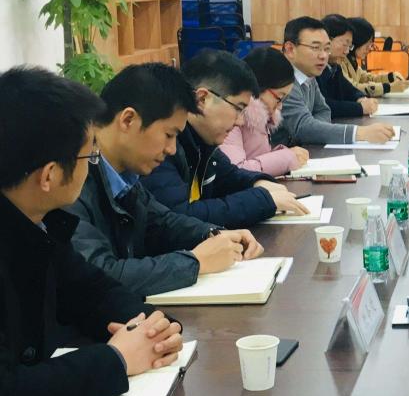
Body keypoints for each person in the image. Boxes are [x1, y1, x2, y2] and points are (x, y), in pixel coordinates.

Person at [0, 67, 183, 396]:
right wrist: (117, 360)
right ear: (49, 175)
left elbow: (92, 289)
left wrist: (152, 324)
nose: (93, 166)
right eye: (88, 157)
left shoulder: (35, 222)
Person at [69, 63, 264, 296]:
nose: (172, 149)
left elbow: (161, 222)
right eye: (169, 135)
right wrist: (196, 262)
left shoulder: (124, 175)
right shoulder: (71, 181)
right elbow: (98, 275)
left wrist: (213, 234)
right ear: (128, 120)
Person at [141, 50, 309, 227]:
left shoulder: (203, 141)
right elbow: (180, 216)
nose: (240, 121)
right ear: (202, 99)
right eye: (238, 108)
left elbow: (230, 176)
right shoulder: (164, 146)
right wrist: (262, 200)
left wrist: (258, 182)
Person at [272, 16, 395, 147]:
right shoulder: (281, 79)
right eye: (315, 47)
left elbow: (323, 110)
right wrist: (361, 133)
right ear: (290, 49)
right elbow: (303, 127)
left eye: (326, 48)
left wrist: (315, 129)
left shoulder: (309, 74)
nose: (323, 56)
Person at [221, 47, 311, 177]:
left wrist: (283, 154)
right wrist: (286, 158)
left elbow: (256, 157)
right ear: (259, 87)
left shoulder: (261, 118)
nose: (280, 106)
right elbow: (237, 171)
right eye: (279, 98)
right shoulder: (233, 119)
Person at [318, 14, 379, 118]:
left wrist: (361, 99)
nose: (347, 51)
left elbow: (349, 90)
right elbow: (323, 105)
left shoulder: (334, 67)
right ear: (327, 39)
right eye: (345, 45)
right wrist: (360, 108)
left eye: (350, 46)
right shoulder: (315, 68)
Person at [339, 16, 408, 98]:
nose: (369, 48)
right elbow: (353, 88)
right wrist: (388, 88)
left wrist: (390, 77)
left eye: (371, 44)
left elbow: (366, 78)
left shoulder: (352, 60)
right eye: (367, 44)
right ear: (357, 41)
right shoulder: (340, 61)